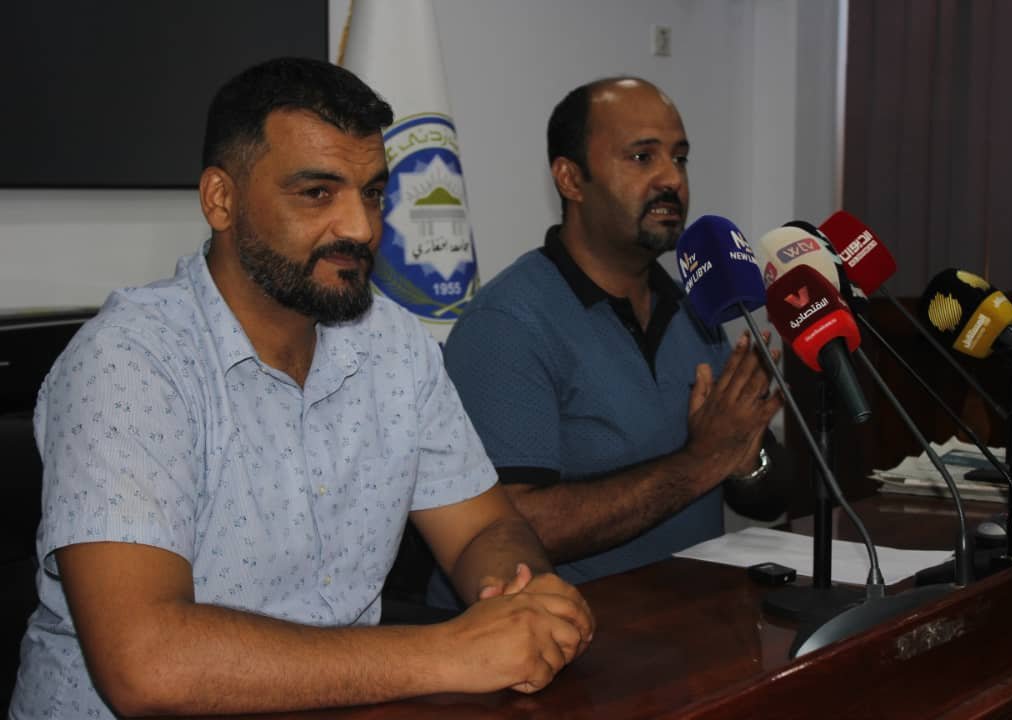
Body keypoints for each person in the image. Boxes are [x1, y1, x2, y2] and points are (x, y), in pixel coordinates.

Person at [10, 57, 593, 719]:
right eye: (318, 193)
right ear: (221, 200)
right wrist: (451, 653)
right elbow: (146, 665)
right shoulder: (130, 360)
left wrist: (519, 597)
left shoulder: (393, 344)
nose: (361, 228)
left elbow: (482, 528)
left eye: (372, 193)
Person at [432, 77, 786, 599]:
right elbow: (512, 531)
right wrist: (701, 462)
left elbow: (768, 499)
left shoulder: (697, 307)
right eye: (643, 157)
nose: (672, 179)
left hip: (696, 619)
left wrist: (745, 455)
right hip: (577, 634)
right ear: (571, 179)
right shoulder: (506, 323)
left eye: (680, 158)